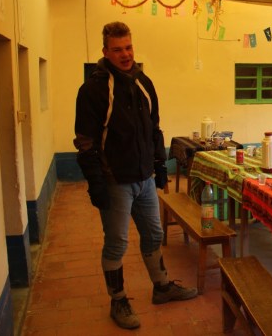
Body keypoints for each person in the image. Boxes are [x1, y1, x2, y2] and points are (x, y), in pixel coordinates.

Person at [74, 21, 197, 329]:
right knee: (117, 243)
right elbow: (86, 143)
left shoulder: (144, 82)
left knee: (154, 235)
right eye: (117, 49)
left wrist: (159, 167)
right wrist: (96, 184)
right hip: (115, 182)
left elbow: (154, 129)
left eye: (128, 47)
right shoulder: (93, 90)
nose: (125, 54)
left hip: (144, 180)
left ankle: (162, 287)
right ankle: (118, 301)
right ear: (105, 52)